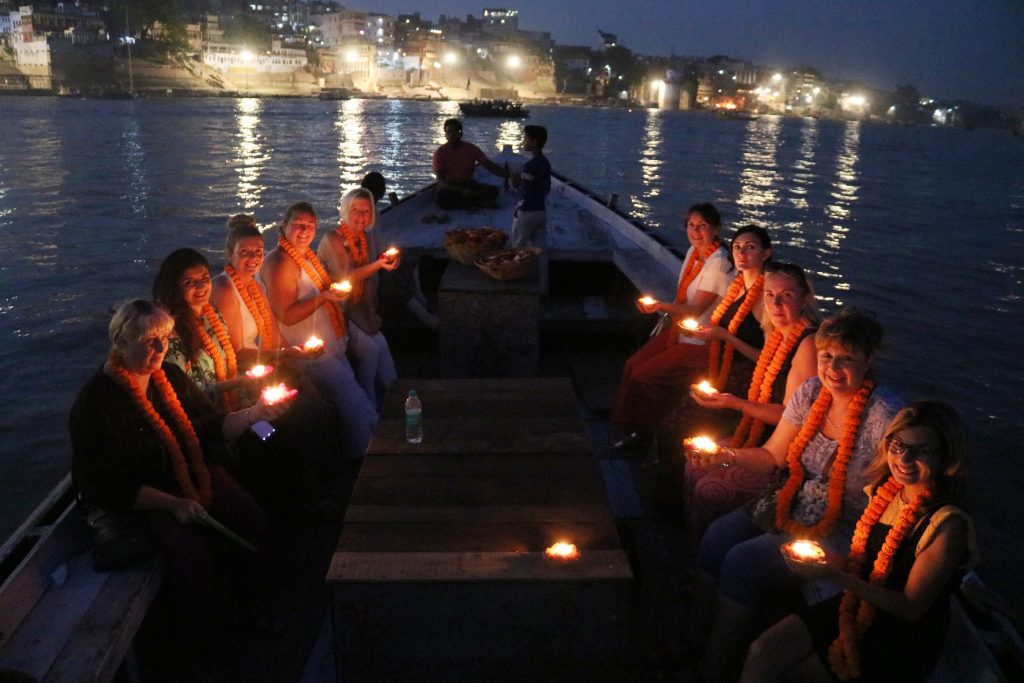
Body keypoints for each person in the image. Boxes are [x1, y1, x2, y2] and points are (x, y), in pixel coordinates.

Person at [69, 300, 293, 666]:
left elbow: (209, 427)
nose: (159, 349)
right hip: (147, 500)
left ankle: (248, 607)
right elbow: (103, 484)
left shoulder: (168, 378)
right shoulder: (96, 404)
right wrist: (172, 503)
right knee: (191, 555)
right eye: (148, 341)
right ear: (120, 343)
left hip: (192, 475)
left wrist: (256, 415)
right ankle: (200, 646)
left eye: (164, 339)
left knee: (251, 519)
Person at [686, 307, 902, 682]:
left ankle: (714, 667)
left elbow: (906, 490)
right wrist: (724, 457)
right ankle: (699, 632)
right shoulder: (810, 393)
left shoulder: (885, 417)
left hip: (840, 527)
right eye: (826, 356)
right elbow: (773, 456)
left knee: (740, 561)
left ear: (868, 360)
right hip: (789, 498)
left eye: (847, 358)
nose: (833, 368)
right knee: (717, 535)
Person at [741, 401, 977, 683]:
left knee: (794, 676)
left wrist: (832, 575)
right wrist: (822, 560)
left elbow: (911, 607)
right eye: (898, 445)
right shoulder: (885, 492)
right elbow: (864, 561)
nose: (903, 459)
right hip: (857, 604)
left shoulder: (946, 525)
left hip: (899, 637)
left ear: (945, 459)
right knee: (760, 651)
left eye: (922, 451)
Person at [684, 261, 820, 543]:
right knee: (692, 464)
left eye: (787, 295)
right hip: (755, 433)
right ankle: (697, 542)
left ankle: (717, 543)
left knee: (707, 485)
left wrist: (733, 403)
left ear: (806, 299)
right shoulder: (776, 334)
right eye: (769, 295)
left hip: (783, 455)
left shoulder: (807, 344)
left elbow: (788, 416)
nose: (776, 303)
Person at [609, 207, 740, 452]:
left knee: (644, 376)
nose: (696, 231)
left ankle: (648, 433)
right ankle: (627, 426)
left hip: (702, 343)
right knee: (631, 367)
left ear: (716, 229)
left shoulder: (719, 262)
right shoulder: (693, 253)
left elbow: (694, 311)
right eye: (691, 225)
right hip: (682, 331)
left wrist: (658, 306)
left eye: (702, 225)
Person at [262, 201, 377, 459]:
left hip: (328, 344)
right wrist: (325, 297)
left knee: (352, 398)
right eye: (298, 225)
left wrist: (333, 293)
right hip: (307, 353)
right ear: (284, 227)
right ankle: (363, 460)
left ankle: (356, 450)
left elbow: (320, 291)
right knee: (353, 402)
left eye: (310, 226)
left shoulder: (305, 256)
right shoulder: (280, 262)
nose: (304, 231)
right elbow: (286, 316)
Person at [317, 187, 399, 408]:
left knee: (382, 348)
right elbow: (348, 277)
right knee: (371, 350)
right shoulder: (333, 238)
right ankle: (369, 407)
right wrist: (379, 264)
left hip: (360, 308)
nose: (361, 217)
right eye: (356, 210)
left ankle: (396, 401)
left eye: (367, 211)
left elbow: (370, 271)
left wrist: (388, 260)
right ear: (344, 211)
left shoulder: (364, 237)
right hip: (338, 311)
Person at [432, 117, 510, 210]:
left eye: (455, 131)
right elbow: (440, 180)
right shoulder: (440, 153)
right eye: (449, 132)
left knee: (493, 191)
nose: (452, 135)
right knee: (442, 199)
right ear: (445, 135)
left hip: (468, 185)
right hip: (451, 187)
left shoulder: (471, 149)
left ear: (461, 133)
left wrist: (510, 175)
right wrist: (460, 190)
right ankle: (478, 203)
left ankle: (469, 203)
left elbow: (490, 166)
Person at [509, 124, 551, 248]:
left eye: (526, 138)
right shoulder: (545, 163)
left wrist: (514, 184)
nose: (523, 141)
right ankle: (541, 268)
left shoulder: (529, 166)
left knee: (517, 247)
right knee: (539, 248)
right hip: (541, 210)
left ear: (534, 142)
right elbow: (546, 188)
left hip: (527, 211)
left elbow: (525, 192)